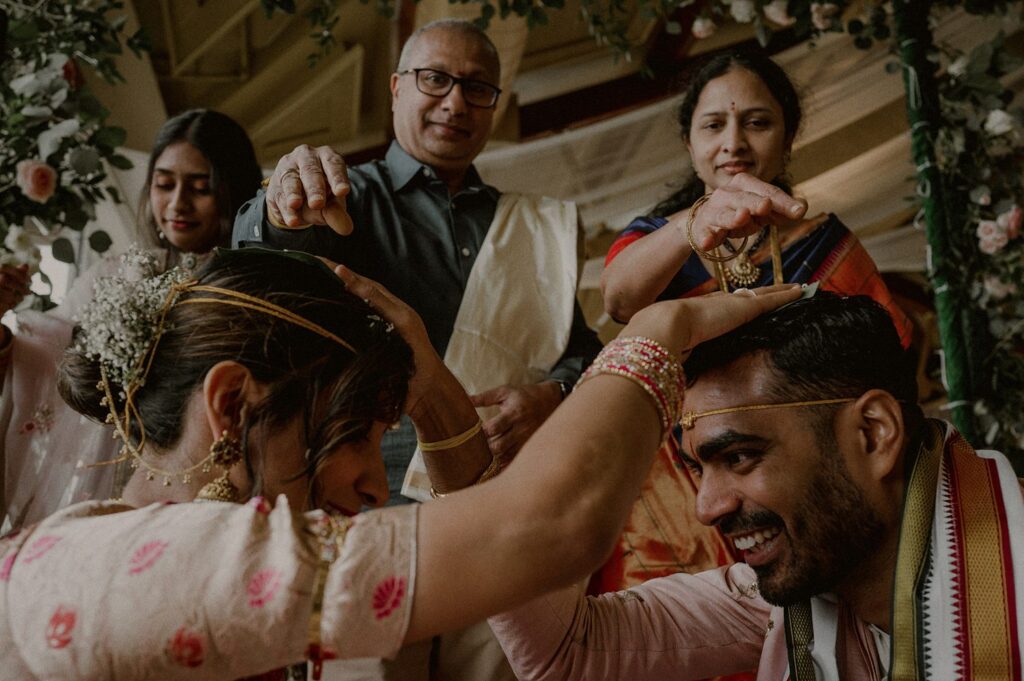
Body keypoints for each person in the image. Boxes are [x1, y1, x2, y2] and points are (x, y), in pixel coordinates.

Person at [0, 247, 804, 680]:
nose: (377, 482)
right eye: (354, 433)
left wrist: (433, 393)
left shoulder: (135, 551)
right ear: (233, 405)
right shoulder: (141, 567)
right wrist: (660, 330)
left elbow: (555, 626)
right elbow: (552, 526)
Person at [232, 21, 601, 677]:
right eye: (436, 79)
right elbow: (263, 267)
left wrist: (551, 393)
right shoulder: (342, 196)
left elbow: (580, 350)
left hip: (501, 503)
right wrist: (276, 204)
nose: (456, 102)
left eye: (477, 88)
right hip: (372, 502)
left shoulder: (532, 225)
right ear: (397, 88)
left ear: (494, 103)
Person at [489, 290, 1023, 680]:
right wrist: (659, 327)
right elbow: (567, 650)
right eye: (698, 468)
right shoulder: (784, 593)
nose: (706, 507)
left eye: (740, 456)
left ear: (872, 434)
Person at [591, 51, 914, 601]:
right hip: (681, 477)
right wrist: (695, 223)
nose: (734, 142)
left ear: (787, 141)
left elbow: (888, 361)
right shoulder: (659, 240)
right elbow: (621, 298)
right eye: (714, 125)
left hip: (808, 480)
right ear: (691, 146)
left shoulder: (824, 241)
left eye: (757, 122)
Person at [0, 109, 262, 532]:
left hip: (204, 480)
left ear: (232, 191)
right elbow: (53, 353)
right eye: (163, 184)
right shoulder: (115, 273)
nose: (177, 204)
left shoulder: (247, 287)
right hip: (104, 472)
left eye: (200, 188)